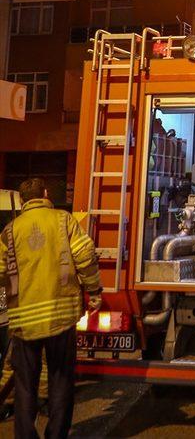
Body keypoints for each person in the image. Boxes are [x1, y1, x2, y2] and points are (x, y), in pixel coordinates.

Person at [0, 178, 102, 439]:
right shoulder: (63, 221)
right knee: (61, 380)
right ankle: (56, 435)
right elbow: (85, 255)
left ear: (22, 200)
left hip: (24, 320)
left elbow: (0, 271)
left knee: (25, 384)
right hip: (61, 315)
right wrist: (94, 291)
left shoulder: (10, 231)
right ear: (45, 194)